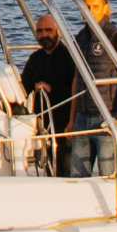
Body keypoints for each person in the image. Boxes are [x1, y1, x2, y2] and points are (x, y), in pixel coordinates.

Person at [65, 0, 117, 178]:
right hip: (82, 117)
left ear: (106, 8)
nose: (90, 11)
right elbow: (77, 79)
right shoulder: (80, 38)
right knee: (78, 175)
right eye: (86, 7)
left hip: (106, 116)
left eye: (95, 7)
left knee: (108, 174)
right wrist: (71, 120)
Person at [16, 13, 78, 175]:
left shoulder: (69, 57)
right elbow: (24, 88)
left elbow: (76, 87)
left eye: (48, 30)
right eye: (40, 31)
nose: (44, 35)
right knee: (49, 165)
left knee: (65, 166)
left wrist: (51, 89)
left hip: (66, 121)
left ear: (58, 31)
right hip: (44, 124)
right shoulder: (35, 59)